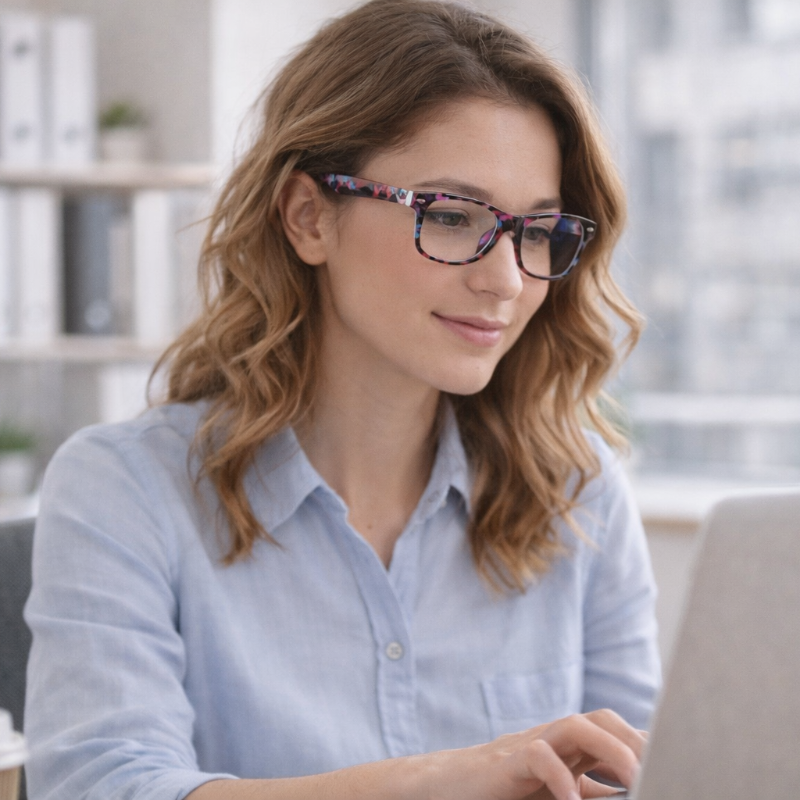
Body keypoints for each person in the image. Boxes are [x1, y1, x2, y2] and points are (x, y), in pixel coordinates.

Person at [23, 1, 661, 798]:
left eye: (536, 232)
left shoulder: (577, 490)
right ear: (307, 217)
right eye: (453, 216)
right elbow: (101, 786)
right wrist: (442, 781)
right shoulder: (126, 490)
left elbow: (652, 775)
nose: (505, 280)